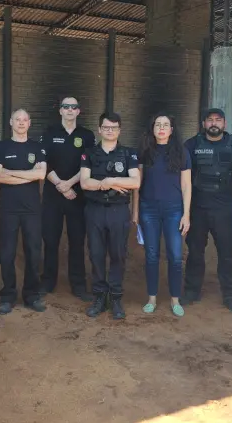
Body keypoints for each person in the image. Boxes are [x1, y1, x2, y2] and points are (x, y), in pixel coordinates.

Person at [80, 112, 141, 320]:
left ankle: (115, 298)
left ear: (119, 130)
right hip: (95, 210)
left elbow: (135, 182)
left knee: (118, 255)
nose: (109, 131)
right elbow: (84, 182)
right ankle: (99, 297)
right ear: (99, 129)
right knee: (96, 255)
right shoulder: (89, 153)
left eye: (113, 128)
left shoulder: (128, 154)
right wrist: (106, 184)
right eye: (106, 127)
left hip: (118, 211)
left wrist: (109, 181)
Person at [182, 108, 232, 313]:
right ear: (203, 124)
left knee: (226, 253)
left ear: (224, 123)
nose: (214, 123)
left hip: (224, 208)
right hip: (197, 207)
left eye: (218, 120)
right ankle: (191, 291)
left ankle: (230, 295)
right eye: (210, 120)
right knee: (195, 251)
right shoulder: (192, 145)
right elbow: (182, 173)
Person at [132, 112, 192, 317]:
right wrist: (135, 211)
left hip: (174, 210)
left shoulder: (181, 152)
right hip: (149, 209)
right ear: (152, 129)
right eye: (157, 124)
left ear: (172, 130)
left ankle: (175, 300)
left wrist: (186, 214)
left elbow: (186, 185)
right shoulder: (145, 151)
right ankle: (152, 298)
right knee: (151, 256)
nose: (161, 128)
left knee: (175, 256)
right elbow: (137, 184)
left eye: (165, 125)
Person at [40, 96, 96, 300]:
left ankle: (78, 284)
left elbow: (89, 165)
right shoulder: (49, 133)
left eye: (74, 107)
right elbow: (43, 163)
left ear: (78, 111)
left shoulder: (87, 135)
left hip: (77, 196)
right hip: (52, 195)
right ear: (60, 111)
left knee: (77, 241)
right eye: (66, 106)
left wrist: (70, 184)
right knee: (50, 240)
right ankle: (47, 282)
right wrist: (60, 185)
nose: (70, 110)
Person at [0, 108, 48, 314]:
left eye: (25, 119)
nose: (21, 122)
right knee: (6, 253)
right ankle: (7, 295)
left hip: (32, 210)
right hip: (8, 209)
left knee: (33, 252)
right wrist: (28, 174)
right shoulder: (1, 146)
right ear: (11, 122)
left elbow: (41, 175)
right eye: (17, 119)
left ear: (29, 123)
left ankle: (31, 295)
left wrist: (11, 173)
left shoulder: (37, 147)